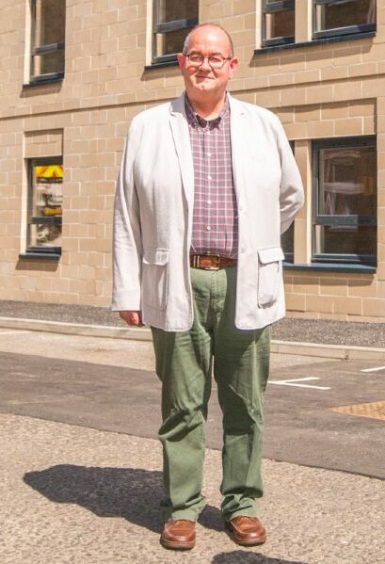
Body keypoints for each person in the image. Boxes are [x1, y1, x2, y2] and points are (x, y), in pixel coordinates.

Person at [112, 23, 304, 550]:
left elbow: (290, 197)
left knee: (246, 403)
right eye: (195, 56)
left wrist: (257, 245)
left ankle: (241, 503)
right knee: (182, 403)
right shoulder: (149, 126)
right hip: (178, 277)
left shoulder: (262, 125)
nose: (205, 65)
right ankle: (182, 508)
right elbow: (127, 213)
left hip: (246, 279)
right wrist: (128, 289)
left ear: (233, 66)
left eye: (216, 58)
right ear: (180, 62)